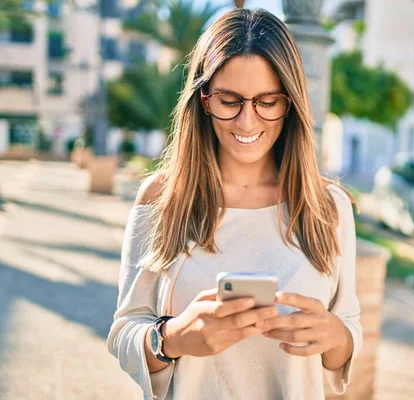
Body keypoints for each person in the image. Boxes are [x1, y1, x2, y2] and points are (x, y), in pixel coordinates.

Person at [107, 8, 362, 400]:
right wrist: (173, 337)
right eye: (229, 100)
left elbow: (348, 333)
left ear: (291, 102)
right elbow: (125, 331)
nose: (246, 122)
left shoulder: (328, 206)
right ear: (204, 99)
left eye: (267, 101)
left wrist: (334, 334)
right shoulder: (161, 197)